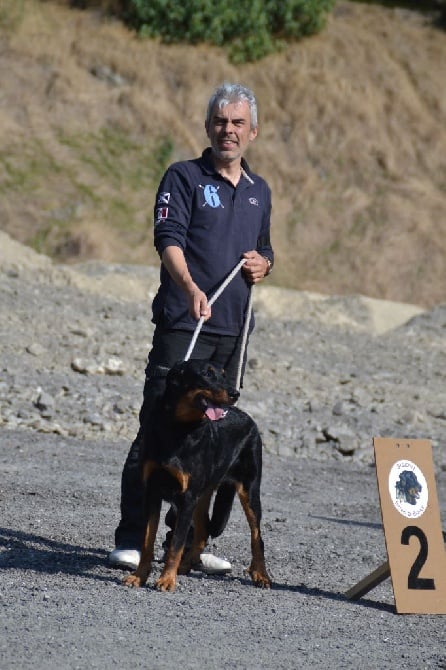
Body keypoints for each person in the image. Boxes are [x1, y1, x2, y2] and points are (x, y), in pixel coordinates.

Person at [109, 82, 274, 574]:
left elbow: (266, 250)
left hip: (230, 331)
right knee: (155, 432)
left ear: (253, 132)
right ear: (208, 127)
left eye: (238, 123)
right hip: (185, 324)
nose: (229, 130)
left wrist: (264, 264)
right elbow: (168, 239)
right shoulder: (183, 177)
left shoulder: (259, 191)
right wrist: (188, 287)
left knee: (211, 442)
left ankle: (194, 543)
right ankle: (131, 538)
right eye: (221, 121)